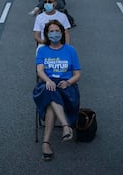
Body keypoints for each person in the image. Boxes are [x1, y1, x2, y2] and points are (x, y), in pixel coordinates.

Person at [33, 20, 81, 161]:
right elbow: (39, 70)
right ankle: (65, 126)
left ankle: (46, 144)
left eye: (57, 31)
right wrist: (47, 80)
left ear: (61, 33)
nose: (54, 34)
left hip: (66, 85)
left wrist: (68, 82)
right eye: (51, 31)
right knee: (49, 90)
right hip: (47, 83)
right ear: (47, 34)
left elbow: (77, 74)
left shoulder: (70, 50)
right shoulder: (42, 50)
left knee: (51, 103)